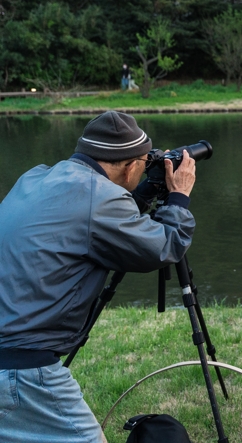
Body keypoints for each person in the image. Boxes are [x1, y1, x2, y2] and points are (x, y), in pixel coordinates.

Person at [0, 110, 196, 443]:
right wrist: (178, 196)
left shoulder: (36, 177)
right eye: (144, 162)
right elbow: (165, 246)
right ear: (132, 166)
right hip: (24, 369)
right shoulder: (100, 198)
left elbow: (96, 220)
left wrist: (145, 192)